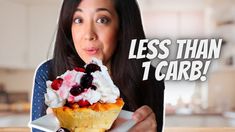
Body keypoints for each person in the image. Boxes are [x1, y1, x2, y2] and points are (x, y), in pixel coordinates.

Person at [31, 0, 165, 132]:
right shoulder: (48, 72)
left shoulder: (150, 78)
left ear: (121, 28)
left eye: (102, 20)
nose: (89, 35)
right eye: (78, 20)